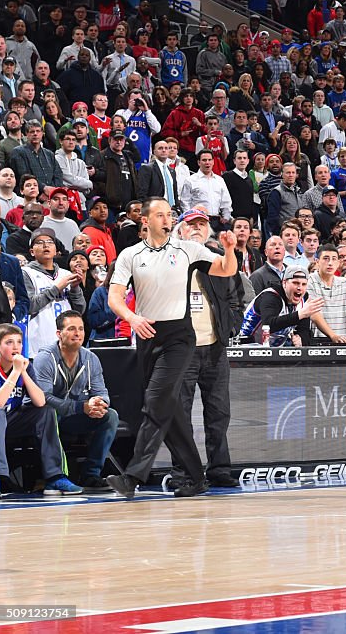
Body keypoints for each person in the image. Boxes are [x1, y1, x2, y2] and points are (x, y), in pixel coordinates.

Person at [105, 197, 239, 499]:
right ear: (146, 220)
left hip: (180, 336)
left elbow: (225, 270)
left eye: (170, 214)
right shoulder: (130, 254)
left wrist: (230, 250)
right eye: (161, 215)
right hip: (147, 333)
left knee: (154, 401)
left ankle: (133, 476)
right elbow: (115, 296)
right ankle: (194, 476)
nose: (167, 219)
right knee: (171, 410)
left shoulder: (188, 249)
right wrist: (131, 316)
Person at [173, 209, 244, 489]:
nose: (197, 229)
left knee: (219, 412)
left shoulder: (219, 261)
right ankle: (185, 473)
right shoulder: (172, 262)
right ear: (180, 231)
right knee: (181, 414)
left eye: (202, 225)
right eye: (191, 225)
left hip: (214, 347)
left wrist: (230, 327)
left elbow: (237, 298)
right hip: (183, 351)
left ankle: (219, 469)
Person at [0, 321, 85, 497]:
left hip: (12, 421)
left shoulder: (24, 366)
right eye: (9, 342)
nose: (16, 347)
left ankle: (56, 476)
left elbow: (40, 401)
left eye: (19, 342)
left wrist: (24, 372)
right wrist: (14, 374)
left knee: (47, 411)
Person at [33, 311, 118, 492]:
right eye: (71, 329)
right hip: (47, 417)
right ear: (59, 334)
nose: (77, 333)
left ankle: (91, 474)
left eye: (80, 329)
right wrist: (81, 407)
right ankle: (55, 476)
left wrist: (99, 403)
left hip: (74, 416)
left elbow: (103, 393)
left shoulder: (90, 358)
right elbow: (44, 398)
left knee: (110, 416)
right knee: (48, 412)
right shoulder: (45, 358)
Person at [22, 230, 86, 356]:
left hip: (67, 342)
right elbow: (30, 306)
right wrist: (57, 288)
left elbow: (80, 310)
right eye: (39, 242)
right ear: (31, 252)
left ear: (56, 250)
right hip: (39, 344)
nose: (45, 245)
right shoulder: (26, 273)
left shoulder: (66, 274)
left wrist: (75, 289)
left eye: (50, 242)